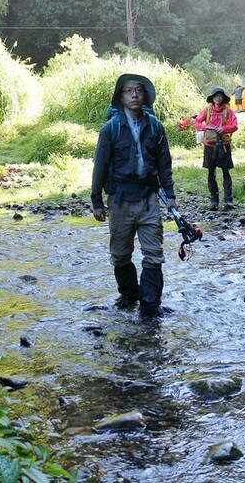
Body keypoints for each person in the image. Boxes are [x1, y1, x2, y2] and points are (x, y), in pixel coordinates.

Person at [91, 74, 178, 317]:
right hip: (119, 200)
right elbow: (100, 164)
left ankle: (150, 306)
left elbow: (164, 164)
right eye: (128, 90)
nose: (134, 95)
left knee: (154, 254)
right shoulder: (111, 129)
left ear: (145, 96)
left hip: (149, 198)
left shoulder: (155, 127)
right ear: (121, 97)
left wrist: (170, 194)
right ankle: (129, 296)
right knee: (120, 255)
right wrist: (96, 201)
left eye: (139, 90)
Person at [194, 87, 238, 211]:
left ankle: (228, 201)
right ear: (212, 98)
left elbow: (235, 126)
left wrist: (224, 129)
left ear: (223, 98)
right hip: (209, 146)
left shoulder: (228, 111)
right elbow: (197, 122)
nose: (218, 98)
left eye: (220, 96)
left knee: (226, 172)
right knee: (211, 173)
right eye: (216, 96)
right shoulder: (207, 110)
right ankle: (214, 202)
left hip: (223, 145)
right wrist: (206, 128)